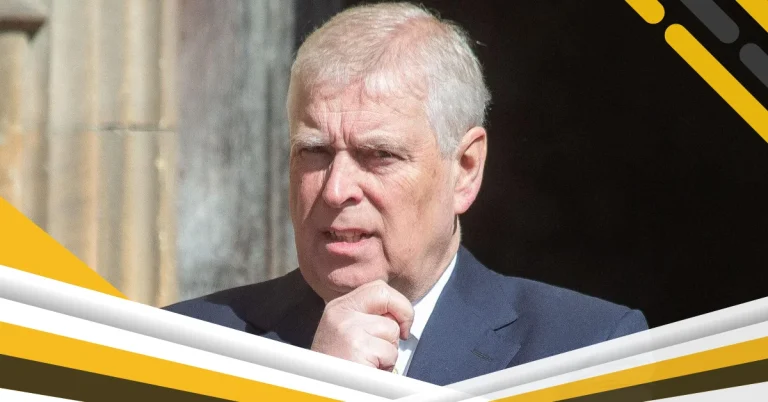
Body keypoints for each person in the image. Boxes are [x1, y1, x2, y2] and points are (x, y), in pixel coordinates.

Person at [166, 2, 648, 386]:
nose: (336, 189)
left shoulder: (588, 350)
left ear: (465, 169)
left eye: (379, 155)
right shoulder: (185, 349)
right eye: (314, 151)